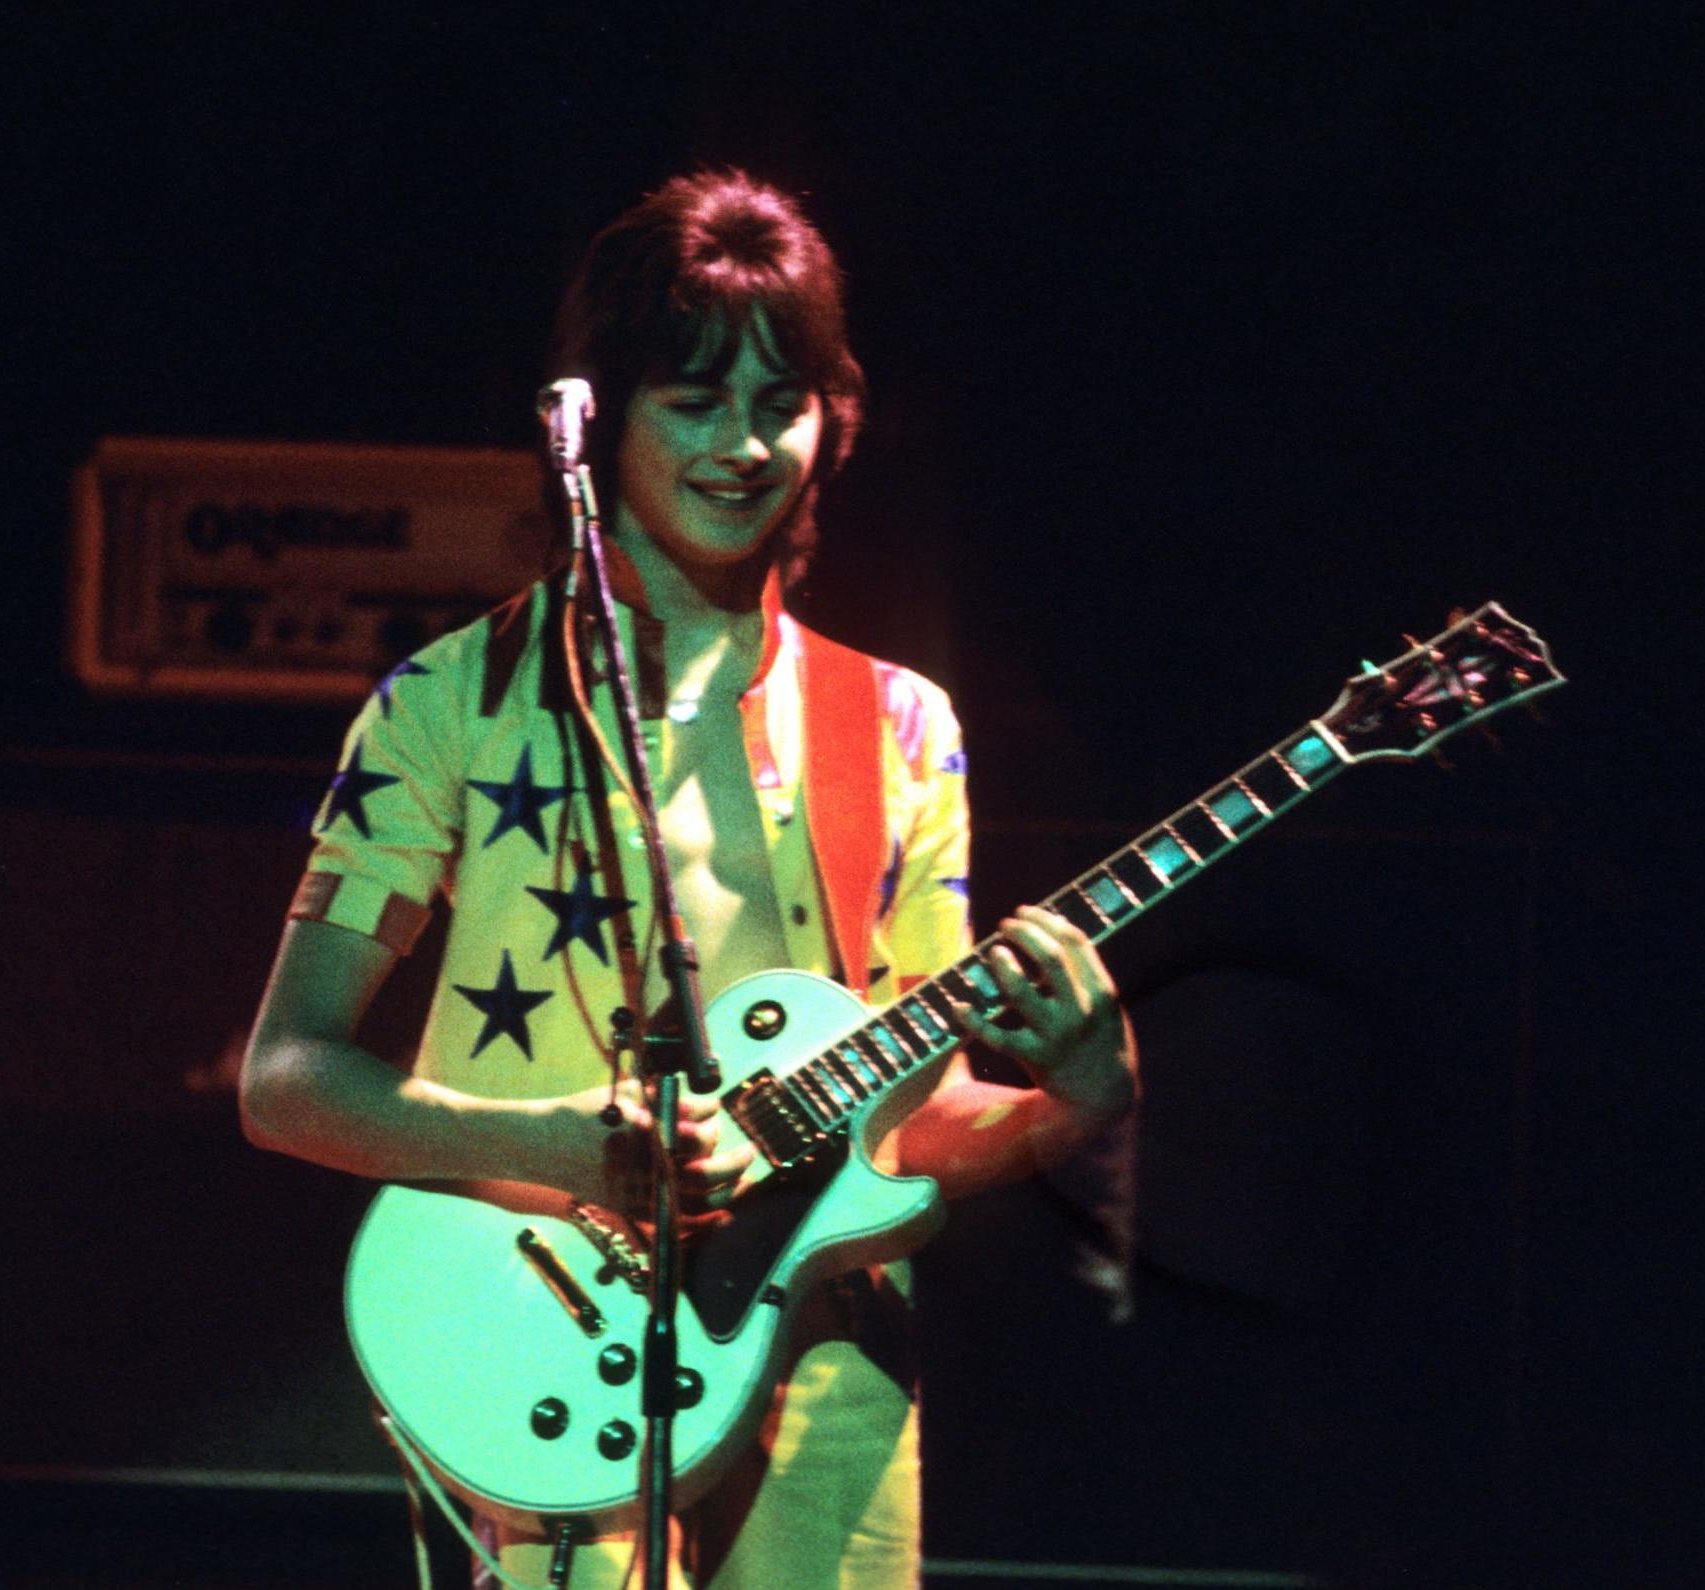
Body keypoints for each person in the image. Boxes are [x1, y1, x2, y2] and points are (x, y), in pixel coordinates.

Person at [240, 170, 1137, 1589]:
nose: (739, 443)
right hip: (537, 1344)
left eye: (778, 400)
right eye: (690, 398)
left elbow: (910, 1124)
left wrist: (1077, 1093)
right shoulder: (453, 702)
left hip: (828, 1372)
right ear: (597, 417)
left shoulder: (900, 726)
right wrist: (565, 1150)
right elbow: (285, 1078)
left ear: (832, 424)